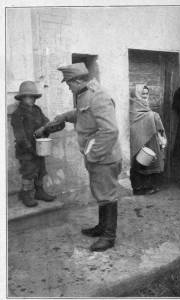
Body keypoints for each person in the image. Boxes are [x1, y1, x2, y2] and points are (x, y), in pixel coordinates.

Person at [55, 63, 122, 252]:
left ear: (77, 81)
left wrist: (93, 155)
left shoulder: (98, 96)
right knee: (101, 193)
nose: (68, 87)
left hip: (104, 157)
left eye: (69, 83)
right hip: (98, 157)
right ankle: (102, 227)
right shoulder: (85, 94)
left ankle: (109, 237)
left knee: (107, 195)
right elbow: (83, 115)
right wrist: (64, 117)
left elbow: (110, 130)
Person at [11, 81, 56, 207]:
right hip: (25, 149)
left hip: (39, 146)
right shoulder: (17, 114)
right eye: (27, 97)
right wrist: (30, 148)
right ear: (22, 98)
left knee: (41, 170)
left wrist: (48, 127)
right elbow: (20, 135)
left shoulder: (37, 110)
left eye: (32, 97)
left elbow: (45, 122)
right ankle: (25, 194)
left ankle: (39, 192)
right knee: (29, 171)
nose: (30, 99)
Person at [130, 84, 167, 195]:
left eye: (147, 93)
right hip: (137, 142)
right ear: (136, 95)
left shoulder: (149, 110)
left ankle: (148, 186)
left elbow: (159, 129)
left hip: (150, 141)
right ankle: (138, 188)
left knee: (149, 162)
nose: (145, 96)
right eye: (142, 94)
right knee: (137, 163)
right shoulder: (131, 110)